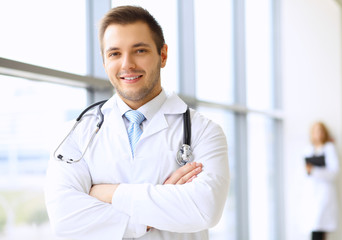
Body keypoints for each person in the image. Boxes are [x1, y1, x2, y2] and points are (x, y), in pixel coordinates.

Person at [44, 5, 230, 240]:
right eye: (114, 54)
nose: (127, 64)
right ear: (104, 61)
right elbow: (65, 220)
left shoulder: (204, 132)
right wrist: (156, 212)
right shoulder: (76, 132)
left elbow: (205, 209)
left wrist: (109, 193)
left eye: (139, 51)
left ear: (162, 55)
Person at [302, 121, 339, 240]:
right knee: (314, 227)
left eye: (321, 131)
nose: (318, 134)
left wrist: (314, 171)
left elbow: (334, 172)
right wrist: (309, 171)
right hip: (312, 193)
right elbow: (305, 172)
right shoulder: (308, 149)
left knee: (320, 229)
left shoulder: (329, 148)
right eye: (316, 131)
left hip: (325, 194)